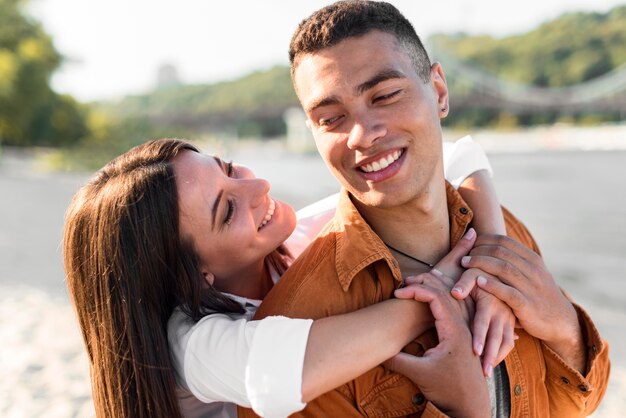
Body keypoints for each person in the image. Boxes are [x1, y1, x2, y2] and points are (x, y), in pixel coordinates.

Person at [238, 1, 610, 417]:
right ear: (313, 132)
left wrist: (565, 328)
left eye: (385, 95)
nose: (362, 135)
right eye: (331, 118)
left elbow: (576, 403)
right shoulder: (300, 331)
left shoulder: (505, 233)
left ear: (438, 92)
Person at [64, 136, 508, 418]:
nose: (257, 188)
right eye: (228, 209)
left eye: (229, 168)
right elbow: (282, 371)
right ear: (196, 276)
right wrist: (442, 290)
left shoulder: (296, 237)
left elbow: (455, 155)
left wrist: (491, 264)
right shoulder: (188, 346)